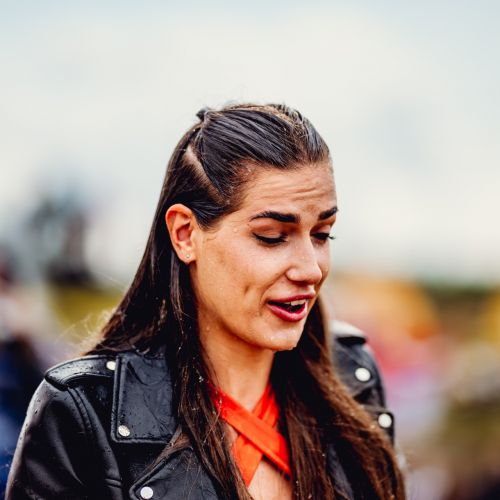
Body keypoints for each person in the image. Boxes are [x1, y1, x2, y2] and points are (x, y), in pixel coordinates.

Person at [6, 103, 405, 499]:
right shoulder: (85, 411)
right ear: (185, 234)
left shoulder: (351, 377)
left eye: (322, 234)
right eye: (271, 237)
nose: (311, 269)